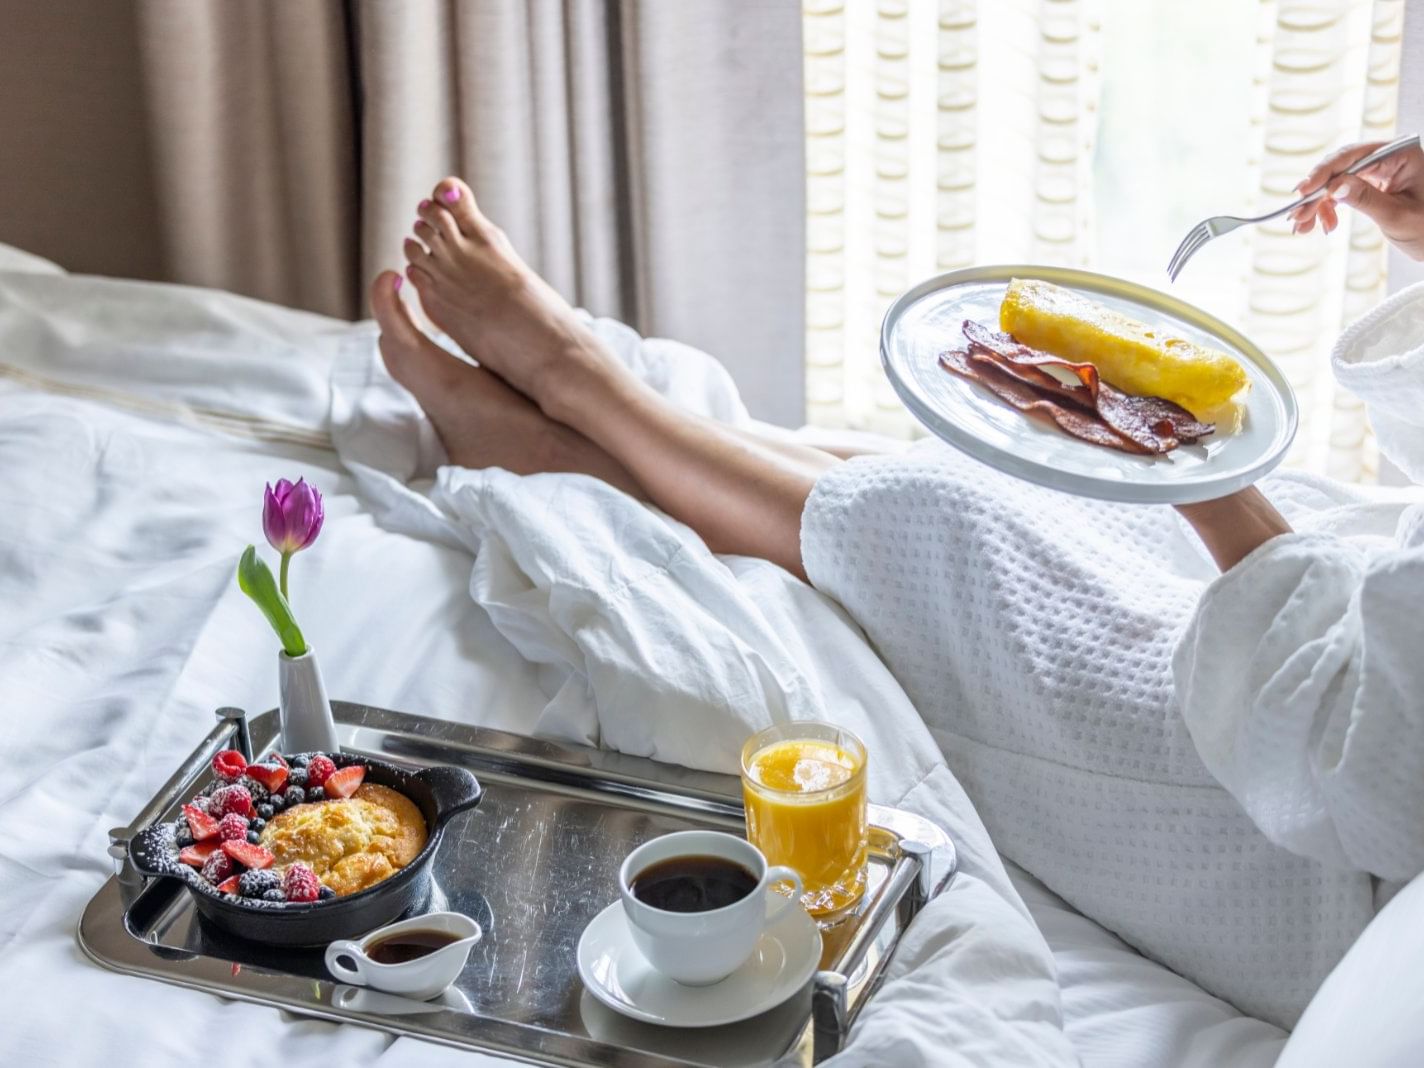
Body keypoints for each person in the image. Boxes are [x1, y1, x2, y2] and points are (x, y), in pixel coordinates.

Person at [367, 141, 1424, 1027]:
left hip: (1300, 854)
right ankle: (576, 427)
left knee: (939, 528)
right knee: (982, 491)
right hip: (1343, 652)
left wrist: (1206, 477)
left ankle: (570, 392)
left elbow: (1364, 766)